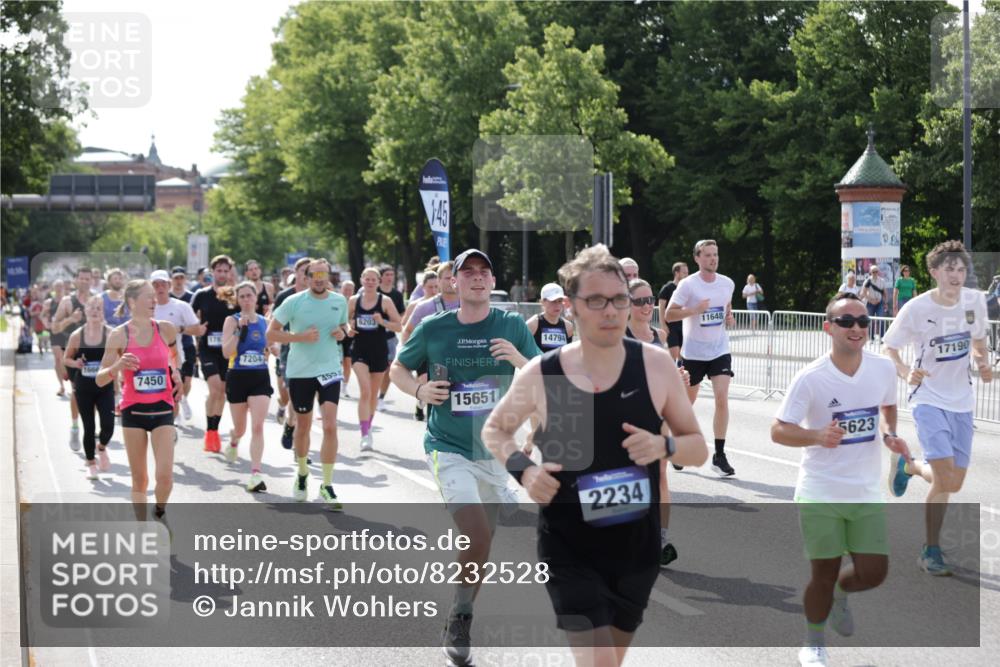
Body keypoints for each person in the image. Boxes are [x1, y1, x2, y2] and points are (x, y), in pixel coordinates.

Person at [482, 244, 707, 667]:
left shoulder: (655, 366)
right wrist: (525, 472)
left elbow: (697, 446)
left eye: (619, 299)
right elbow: (496, 429)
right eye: (596, 301)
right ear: (571, 307)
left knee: (611, 660)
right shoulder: (545, 372)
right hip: (569, 544)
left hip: (636, 546)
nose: (611, 311)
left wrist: (665, 446)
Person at [390, 249, 541, 667]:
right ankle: (462, 619)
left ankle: (459, 608)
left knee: (484, 542)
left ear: (492, 282)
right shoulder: (434, 327)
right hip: (448, 446)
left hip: (494, 450)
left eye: (484, 272)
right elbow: (397, 370)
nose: (476, 277)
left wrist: (519, 360)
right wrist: (419, 391)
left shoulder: (511, 324)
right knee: (475, 534)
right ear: (453, 282)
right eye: (467, 272)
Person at [771, 292, 910, 667]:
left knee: (874, 573)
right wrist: (816, 436)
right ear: (828, 327)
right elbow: (778, 431)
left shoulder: (881, 368)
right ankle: (813, 642)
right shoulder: (811, 378)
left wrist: (888, 432)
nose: (857, 328)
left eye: (863, 321)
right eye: (846, 321)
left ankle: (841, 595)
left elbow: (887, 405)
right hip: (821, 489)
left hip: (865, 490)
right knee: (824, 571)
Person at [884, 240, 993, 576]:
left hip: (962, 400)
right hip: (927, 396)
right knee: (944, 477)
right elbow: (890, 346)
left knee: (953, 484)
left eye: (962, 269)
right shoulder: (916, 308)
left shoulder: (974, 302)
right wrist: (904, 371)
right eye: (950, 269)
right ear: (934, 272)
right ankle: (931, 549)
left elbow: (978, 340)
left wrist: (982, 360)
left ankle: (910, 466)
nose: (957, 275)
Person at [96, 280, 182, 521]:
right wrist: (118, 366)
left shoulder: (166, 329)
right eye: (148, 297)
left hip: (163, 409)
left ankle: (160, 511)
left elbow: (174, 356)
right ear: (132, 302)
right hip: (133, 413)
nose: (154, 300)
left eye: (155, 296)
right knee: (140, 479)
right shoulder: (119, 335)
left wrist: (174, 371)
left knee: (165, 477)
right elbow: (100, 380)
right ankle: (142, 527)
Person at [267, 258, 349, 507]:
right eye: (314, 274)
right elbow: (272, 332)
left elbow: (344, 326)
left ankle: (327, 485)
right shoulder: (294, 301)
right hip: (301, 371)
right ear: (307, 276)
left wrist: (342, 332)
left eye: (323, 275)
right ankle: (302, 473)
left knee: (330, 426)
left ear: (329, 277)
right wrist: (300, 337)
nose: (319, 279)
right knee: (302, 427)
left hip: (329, 369)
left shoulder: (339, 301)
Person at [666, 239, 738, 477]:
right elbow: (669, 313)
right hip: (693, 353)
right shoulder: (688, 285)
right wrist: (693, 310)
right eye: (707, 255)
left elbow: (726, 306)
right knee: (687, 405)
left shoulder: (727, 283)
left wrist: (729, 317)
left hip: (719, 350)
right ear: (697, 258)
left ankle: (719, 455)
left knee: (722, 399)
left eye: (715, 254)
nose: (713, 259)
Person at [626, 278, 685, 567]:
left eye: (650, 300)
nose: (647, 306)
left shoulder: (659, 337)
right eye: (640, 301)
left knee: (660, 477)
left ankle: (660, 539)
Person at [221, 281, 273, 491]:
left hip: (260, 376)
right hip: (237, 377)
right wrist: (239, 331)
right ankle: (234, 440)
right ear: (237, 299)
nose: (245, 299)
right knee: (241, 428)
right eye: (241, 296)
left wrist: (275, 349)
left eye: (249, 295)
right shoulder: (231, 321)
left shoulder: (264, 321)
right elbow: (226, 352)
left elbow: (271, 346)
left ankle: (255, 473)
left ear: (256, 296)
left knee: (258, 426)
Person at [348, 267, 402, 452]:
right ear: (361, 280)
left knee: (372, 393)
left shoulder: (385, 301)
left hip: (379, 350)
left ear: (378, 282)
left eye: (373, 279)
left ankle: (368, 427)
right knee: (365, 390)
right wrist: (349, 327)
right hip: (359, 350)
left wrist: (382, 322)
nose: (370, 282)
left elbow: (399, 325)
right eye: (367, 279)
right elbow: (345, 321)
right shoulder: (354, 301)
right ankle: (364, 434)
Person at [62, 295, 116, 479]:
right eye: (91, 307)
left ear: (102, 312)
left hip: (105, 386)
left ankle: (102, 448)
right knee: (89, 426)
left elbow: (120, 357)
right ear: (85, 311)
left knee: (108, 427)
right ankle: (91, 463)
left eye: (98, 308)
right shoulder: (77, 335)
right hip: (84, 387)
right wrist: (75, 363)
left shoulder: (110, 334)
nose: (94, 311)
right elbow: (66, 359)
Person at [191, 255, 238, 452]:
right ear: (212, 273)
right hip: (208, 349)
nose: (222, 274)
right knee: (216, 389)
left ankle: (213, 431)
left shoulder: (234, 296)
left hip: (228, 351)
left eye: (226, 271)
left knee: (221, 394)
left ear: (230, 273)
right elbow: (189, 315)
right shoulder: (202, 295)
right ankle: (210, 432)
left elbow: (244, 316)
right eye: (219, 270)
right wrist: (196, 329)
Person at [401, 261, 459, 422]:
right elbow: (407, 331)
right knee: (435, 400)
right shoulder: (424, 307)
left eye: (454, 277)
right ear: (439, 281)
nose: (451, 281)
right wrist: (410, 358)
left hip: (461, 363)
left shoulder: (471, 305)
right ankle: (423, 403)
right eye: (447, 278)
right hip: (430, 361)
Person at [271, 257, 311, 446]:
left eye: (310, 271)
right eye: (303, 271)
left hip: (315, 352)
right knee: (293, 396)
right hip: (289, 350)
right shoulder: (285, 297)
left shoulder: (322, 296)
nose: (306, 275)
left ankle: (298, 442)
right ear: (296, 273)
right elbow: (272, 324)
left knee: (307, 399)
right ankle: (290, 424)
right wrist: (272, 345)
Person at [52, 268, 93, 448]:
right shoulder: (67, 302)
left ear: (92, 281)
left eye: (88, 279)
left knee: (95, 393)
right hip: (74, 353)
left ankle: (90, 427)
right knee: (77, 392)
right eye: (81, 278)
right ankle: (76, 428)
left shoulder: (96, 300)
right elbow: (55, 328)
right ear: (76, 280)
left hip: (94, 353)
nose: (84, 282)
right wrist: (71, 319)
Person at [169, 266, 204, 421]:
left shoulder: (191, 297)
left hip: (187, 342)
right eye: (176, 278)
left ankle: (183, 398)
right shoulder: (166, 297)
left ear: (185, 279)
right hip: (171, 345)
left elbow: (197, 321)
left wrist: (197, 341)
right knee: (173, 378)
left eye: (181, 278)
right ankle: (175, 403)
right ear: (171, 279)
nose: (178, 281)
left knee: (188, 379)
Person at [377, 265, 405, 411]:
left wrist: (390, 322)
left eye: (392, 275)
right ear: (380, 277)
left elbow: (402, 314)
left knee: (388, 369)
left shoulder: (397, 295)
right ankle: (371, 394)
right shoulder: (373, 292)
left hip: (389, 338)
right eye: (387, 274)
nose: (390, 277)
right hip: (371, 337)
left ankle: (381, 397)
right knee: (375, 369)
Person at [526, 283, 574, 352]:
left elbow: (568, 354)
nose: (557, 305)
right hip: (538, 362)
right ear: (542, 302)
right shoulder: (533, 324)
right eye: (553, 301)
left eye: (560, 301)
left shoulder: (568, 326)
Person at [658, 262, 689, 362]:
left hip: (684, 325)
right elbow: (661, 307)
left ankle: (681, 376)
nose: (686, 275)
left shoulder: (686, 289)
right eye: (684, 273)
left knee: (683, 355)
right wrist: (663, 325)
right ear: (677, 273)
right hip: (671, 326)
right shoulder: (667, 288)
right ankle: (671, 374)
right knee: (674, 354)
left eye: (687, 273)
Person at [44, 281, 69, 396]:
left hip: (67, 332)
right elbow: (42, 315)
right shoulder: (50, 302)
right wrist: (46, 324)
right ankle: (61, 386)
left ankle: (70, 379)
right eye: (57, 286)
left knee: (66, 358)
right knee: (58, 359)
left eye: (60, 286)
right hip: (55, 333)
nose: (59, 288)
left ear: (64, 287)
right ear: (53, 288)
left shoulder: (68, 300)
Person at [339, 279, 356, 397]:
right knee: (336, 361)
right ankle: (335, 383)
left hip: (350, 337)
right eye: (345, 289)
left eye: (350, 289)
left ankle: (344, 387)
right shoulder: (336, 301)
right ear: (341, 289)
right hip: (337, 335)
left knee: (347, 362)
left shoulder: (356, 302)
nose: (347, 291)